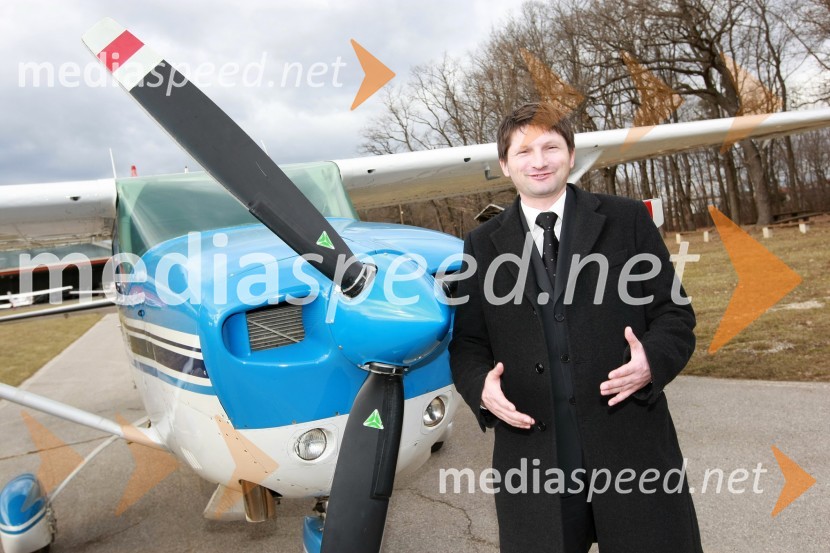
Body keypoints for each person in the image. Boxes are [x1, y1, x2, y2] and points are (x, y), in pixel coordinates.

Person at [449, 102, 702, 553]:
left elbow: (675, 314)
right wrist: (480, 390)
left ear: (570, 153)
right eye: (524, 151)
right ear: (505, 165)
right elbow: (468, 343)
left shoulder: (627, 221)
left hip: (631, 442)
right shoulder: (481, 244)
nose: (539, 160)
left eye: (551, 146)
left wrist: (652, 360)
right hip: (533, 454)